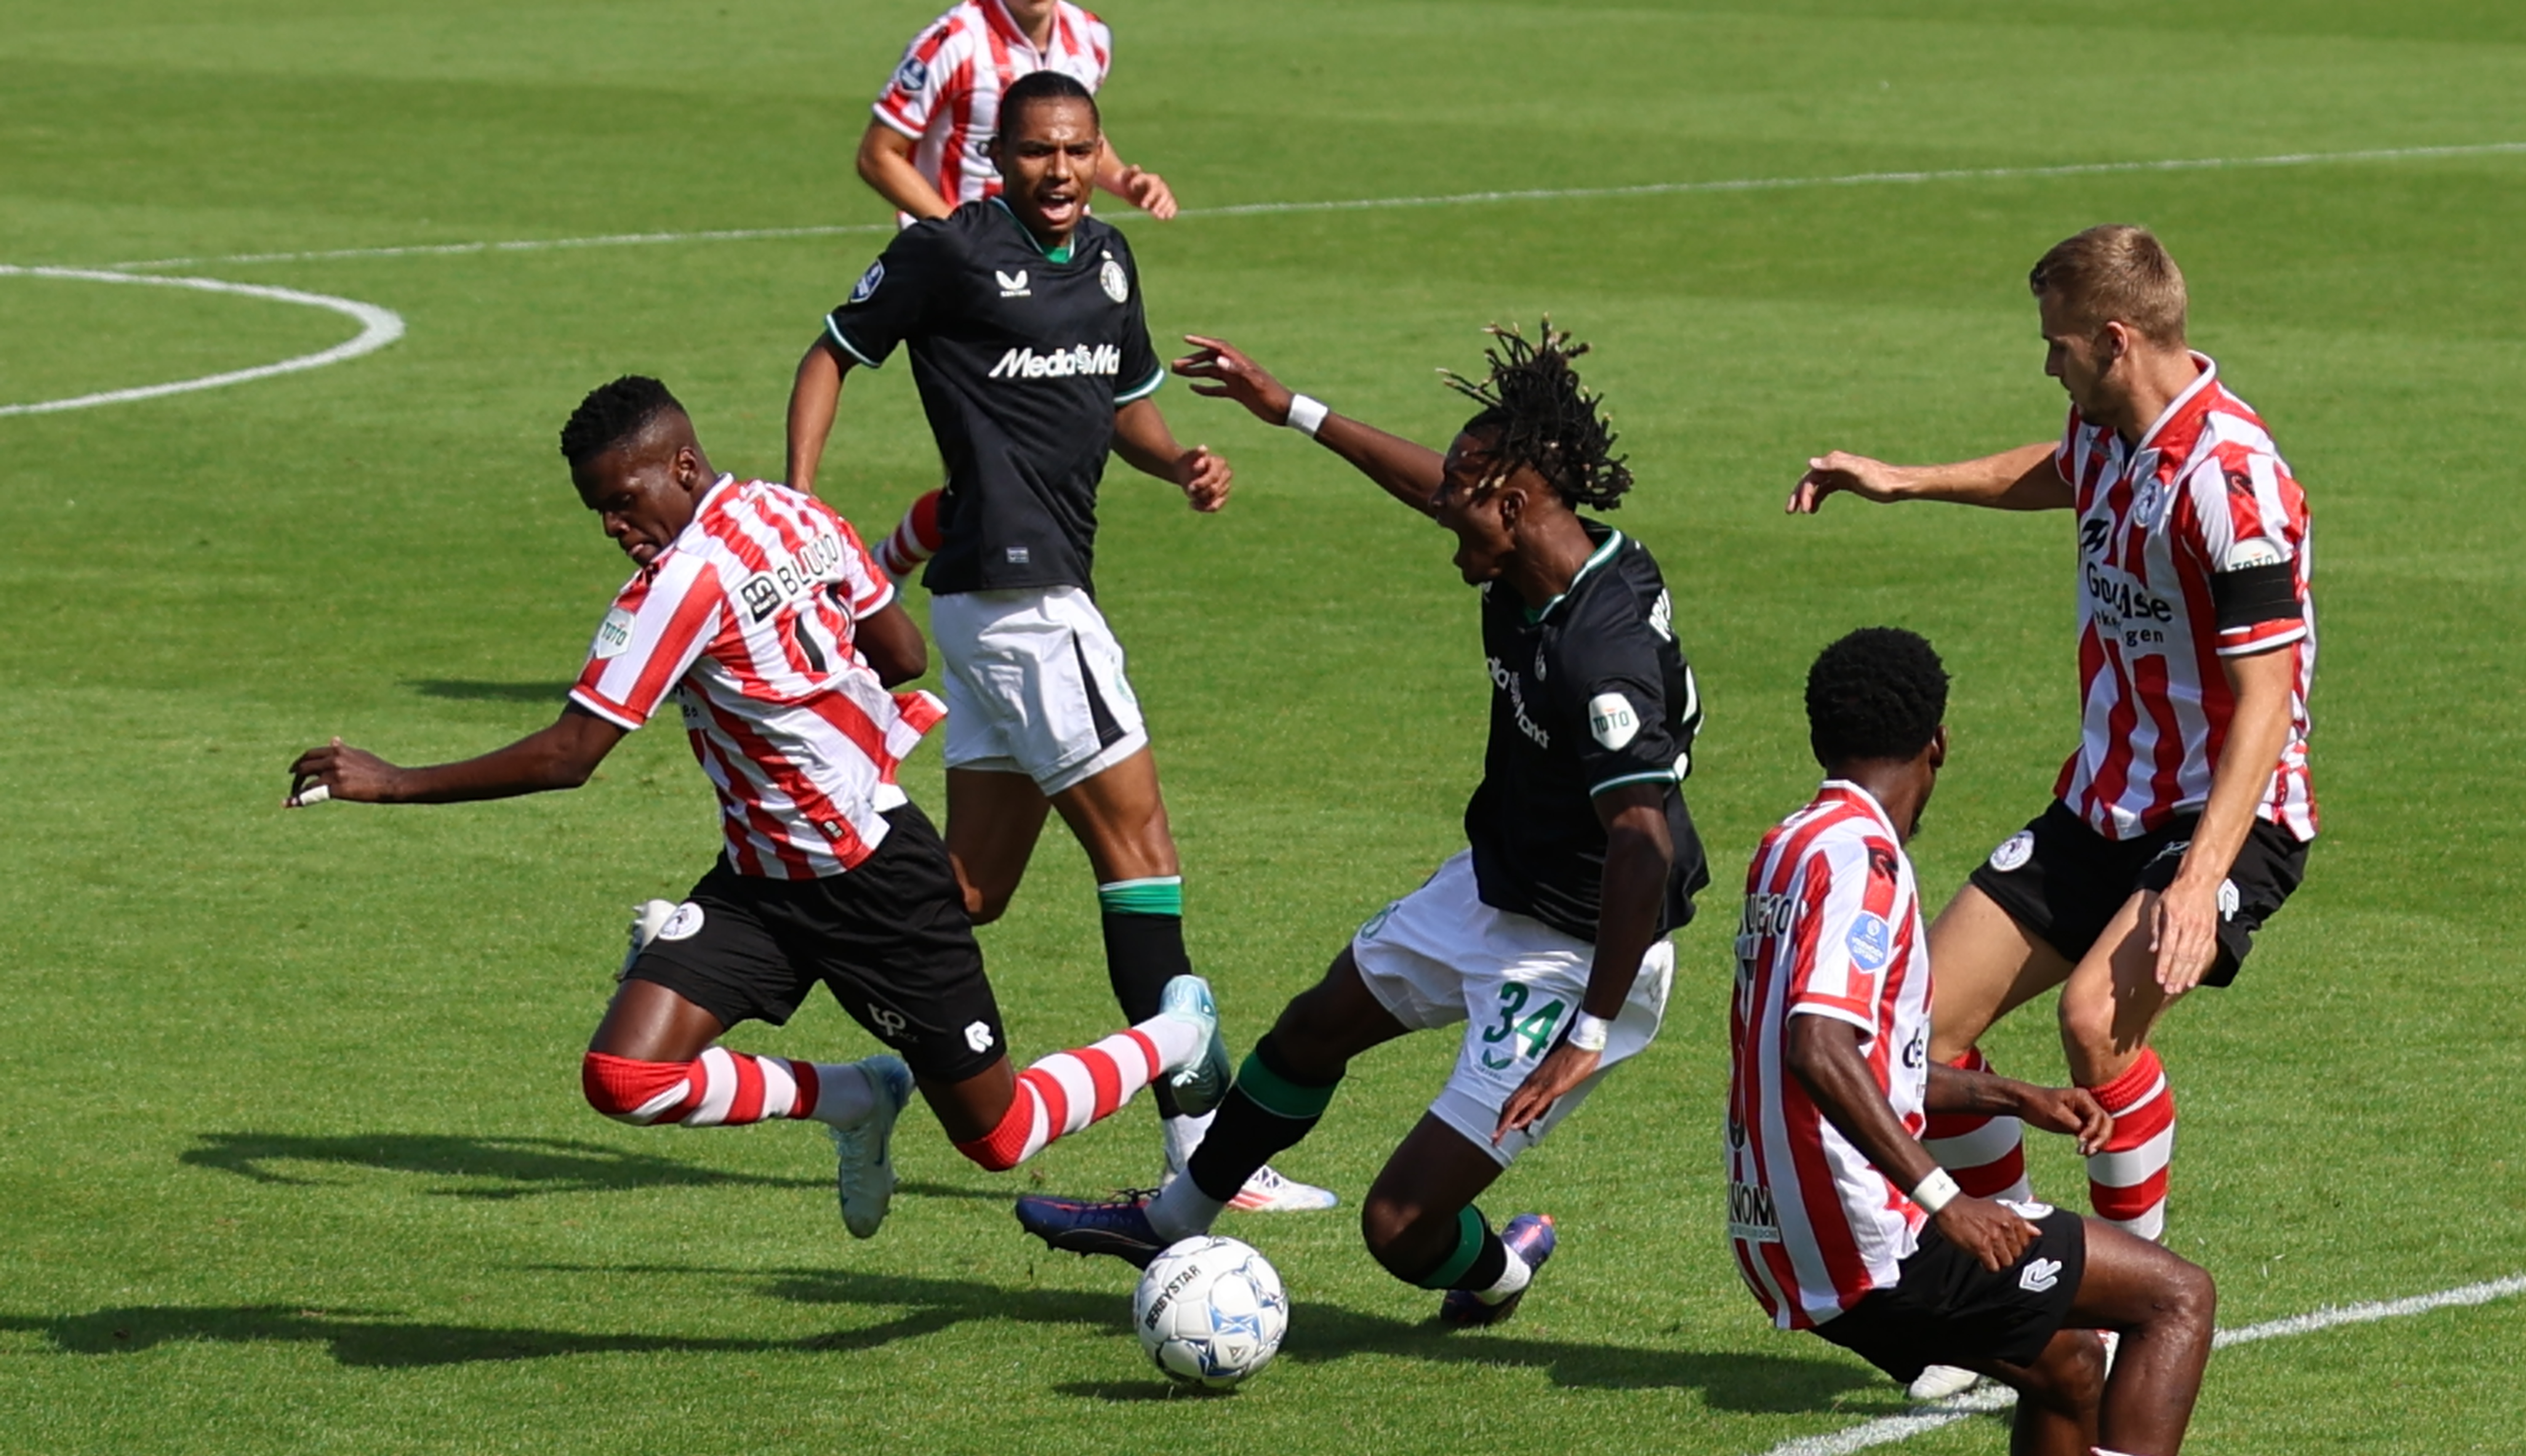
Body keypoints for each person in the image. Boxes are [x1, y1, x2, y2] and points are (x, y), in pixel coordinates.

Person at [285, 376, 1228, 1241]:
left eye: (625, 499)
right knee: (625, 1078)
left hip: (874, 881)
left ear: (683, 466)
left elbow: (573, 755)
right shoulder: (798, 510)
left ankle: (1177, 1029)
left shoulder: (675, 588)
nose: (616, 526)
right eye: (599, 511)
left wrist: (392, 778)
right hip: (763, 879)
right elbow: (899, 652)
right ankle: (856, 1097)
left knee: (1002, 1133)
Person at [1015, 323, 1709, 1328]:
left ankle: (1501, 1270)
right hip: (1496, 881)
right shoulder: (1539, 549)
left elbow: (1644, 842)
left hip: (1578, 955)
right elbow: (1439, 479)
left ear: (1512, 504)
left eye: (1460, 496)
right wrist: (1291, 407)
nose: (1441, 506)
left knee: (1398, 1226)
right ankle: (1173, 1219)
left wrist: (1590, 1032)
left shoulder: (1596, 650)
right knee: (1311, 1029)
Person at [788, 71, 1333, 1214]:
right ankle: (1206, 1152)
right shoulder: (948, 252)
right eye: (1039, 151)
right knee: (1142, 859)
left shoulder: (1112, 263)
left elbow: (1122, 399)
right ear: (1001, 157)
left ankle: (760, 934)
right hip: (1024, 607)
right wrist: (802, 509)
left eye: (1079, 150)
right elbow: (832, 351)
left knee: (969, 889)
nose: (1062, 171)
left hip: (1007, 613)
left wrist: (1177, 458)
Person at [1788, 225, 2315, 1399]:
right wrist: (1908, 479)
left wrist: (2194, 881)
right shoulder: (2113, 425)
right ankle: (2019, 1260)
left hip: (2228, 812)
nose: (2051, 368)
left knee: (2094, 1021)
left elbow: (2268, 703)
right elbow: (2060, 468)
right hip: (2106, 801)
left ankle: (2136, 1303)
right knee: (1915, 1031)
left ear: (2117, 340)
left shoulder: (2234, 485)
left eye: (2060, 348)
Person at [1729, 627, 2244, 1456]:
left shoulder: (1789, 844)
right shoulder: (1865, 863)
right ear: (1938, 744)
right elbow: (1818, 1046)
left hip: (1782, 1234)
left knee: (2063, 1366)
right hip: (1870, 1237)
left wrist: (2011, 1093)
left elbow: (1869, 1055)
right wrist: (1943, 1196)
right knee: (2176, 1299)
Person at [854, 0, 1175, 583]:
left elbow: (1070, 133)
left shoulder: (1091, 37)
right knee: (989, 478)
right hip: (959, 289)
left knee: (994, 481)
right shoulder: (953, 42)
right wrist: (962, 241)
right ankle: (883, 577)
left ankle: (880, 571)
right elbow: (879, 154)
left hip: (1051, 279)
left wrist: (1124, 178)